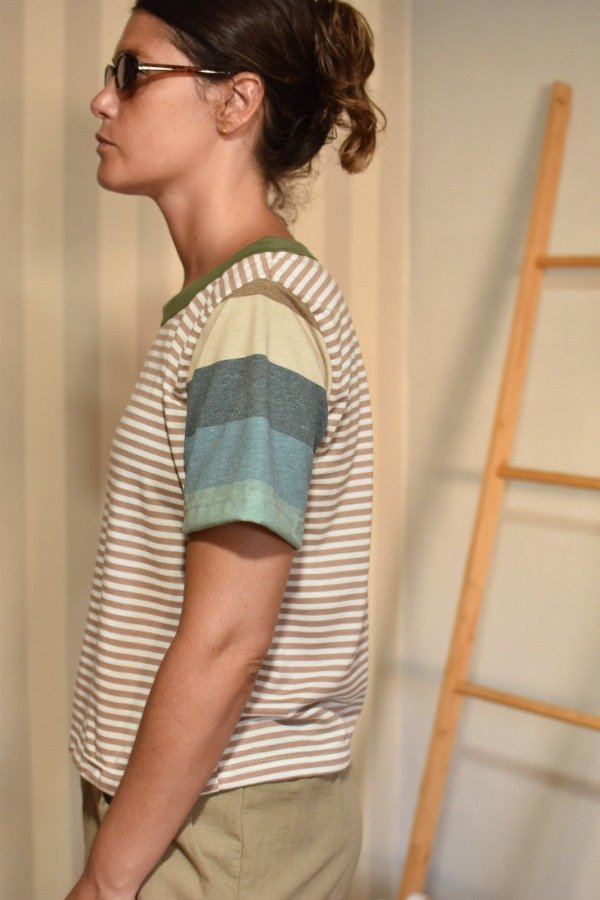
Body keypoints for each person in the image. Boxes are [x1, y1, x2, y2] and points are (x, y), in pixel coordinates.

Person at [66, 1, 384, 897]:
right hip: (195, 812)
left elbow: (228, 639)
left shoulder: (254, 323)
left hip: (224, 831)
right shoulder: (227, 307)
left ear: (236, 102)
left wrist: (105, 880)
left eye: (133, 73)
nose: (102, 99)